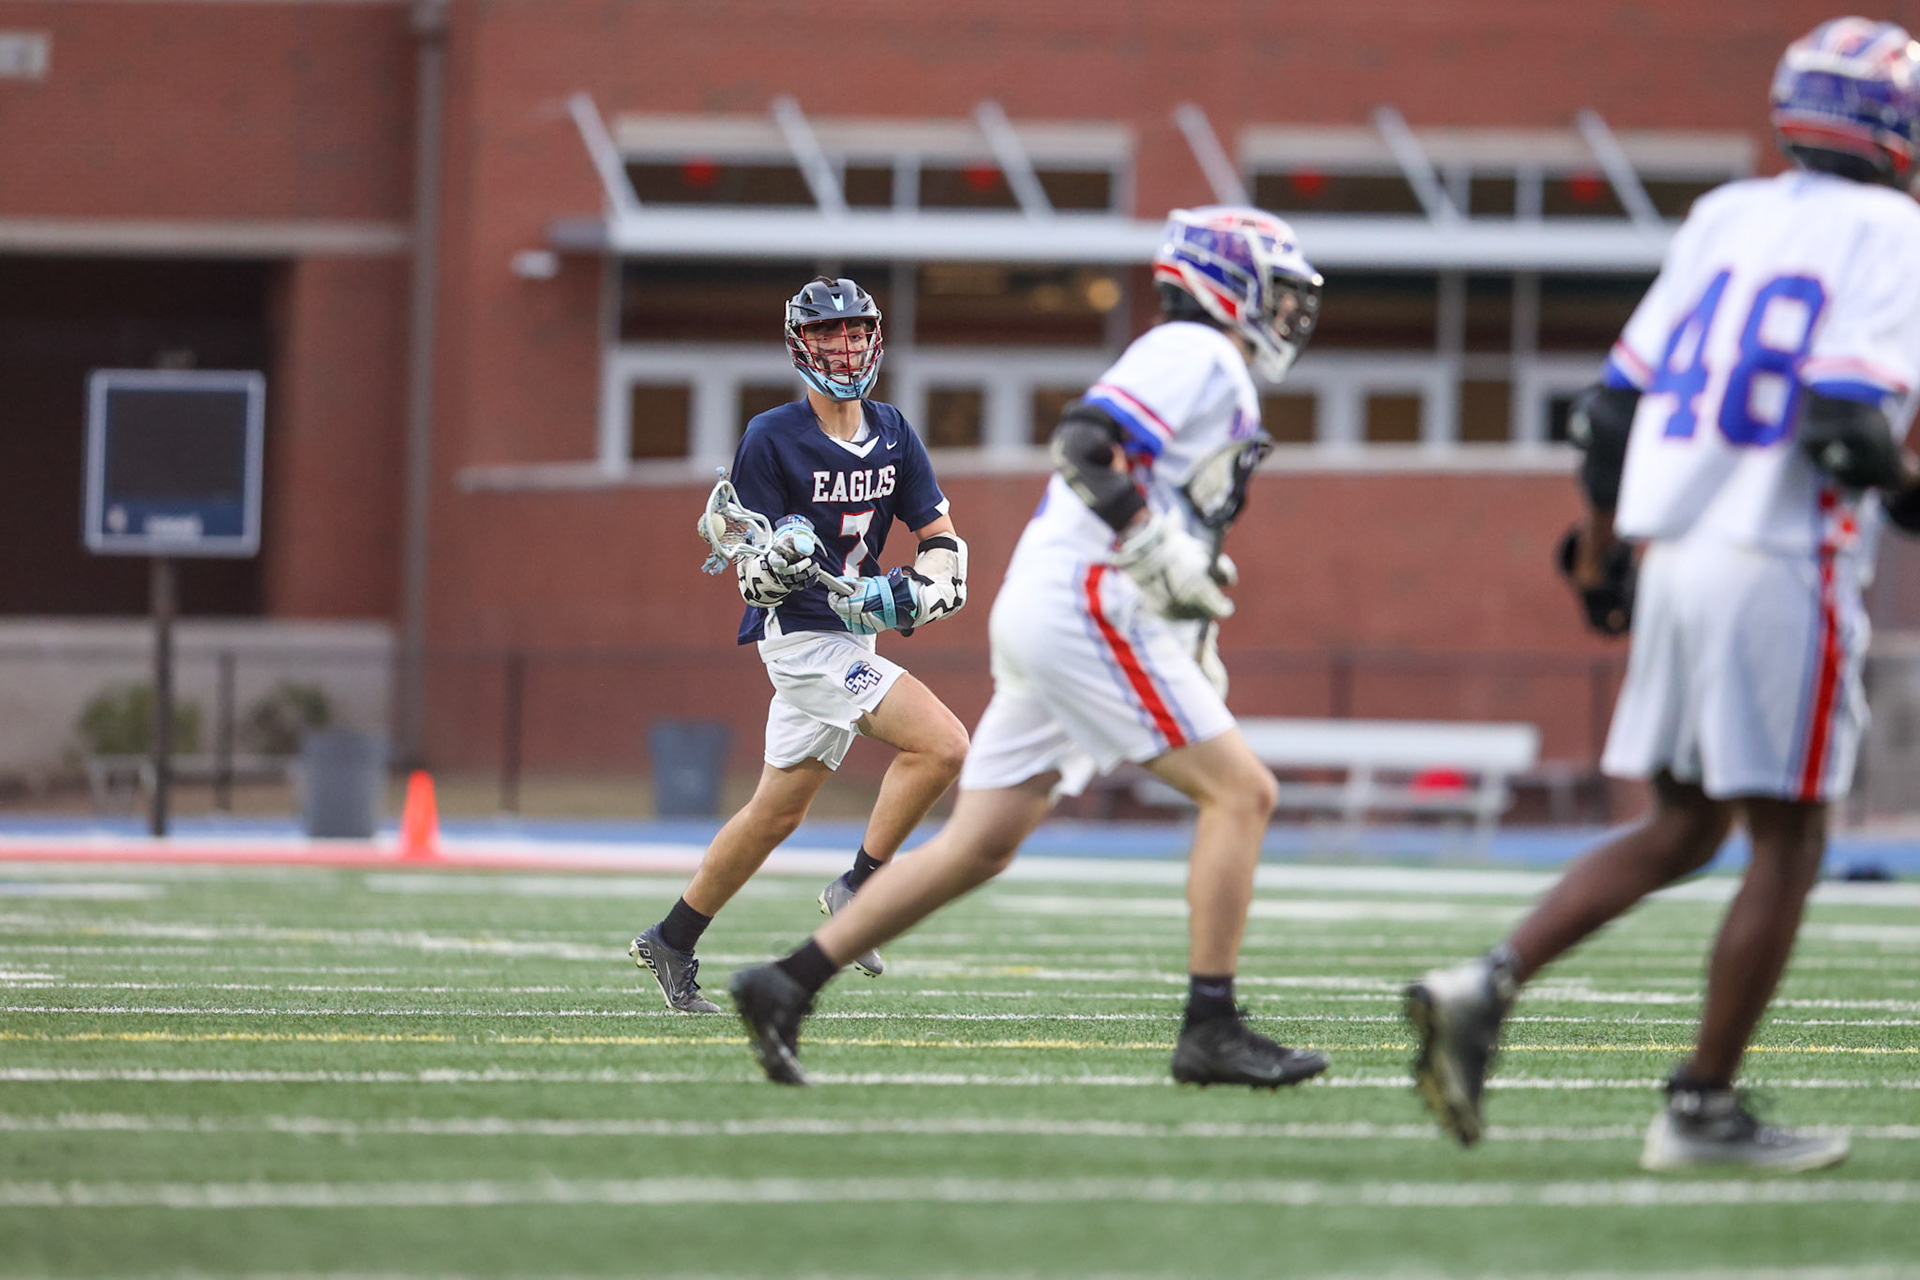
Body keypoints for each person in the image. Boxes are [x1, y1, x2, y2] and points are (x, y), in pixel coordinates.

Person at [1406, 16, 1920, 1172]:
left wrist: (1602, 552)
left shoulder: (1727, 213)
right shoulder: (1893, 233)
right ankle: (1702, 1106)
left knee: (1689, 820)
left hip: (1679, 547)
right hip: (1781, 554)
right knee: (1790, 840)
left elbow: (1607, 413)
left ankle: (1482, 983)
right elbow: (1844, 429)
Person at [729, 207, 1330, 1088]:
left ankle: (785, 983)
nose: (1285, 313)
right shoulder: (1196, 353)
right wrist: (1148, 545)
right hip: (1087, 605)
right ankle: (1211, 1026)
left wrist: (1183, 617)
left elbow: (1164, 511)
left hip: (1064, 604)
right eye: (1274, 290)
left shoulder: (1207, 366)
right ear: (1225, 283)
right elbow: (1086, 445)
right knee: (1243, 793)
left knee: (982, 842)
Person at [630, 276, 972, 1012]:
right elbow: (750, 576)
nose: (845, 348)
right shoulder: (771, 436)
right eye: (829, 335)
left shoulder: (894, 429)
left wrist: (915, 589)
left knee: (776, 813)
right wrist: (773, 562)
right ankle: (860, 889)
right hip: (803, 643)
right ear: (800, 345)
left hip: (856, 636)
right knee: (943, 745)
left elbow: (941, 541)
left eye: (856, 333)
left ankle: (673, 937)